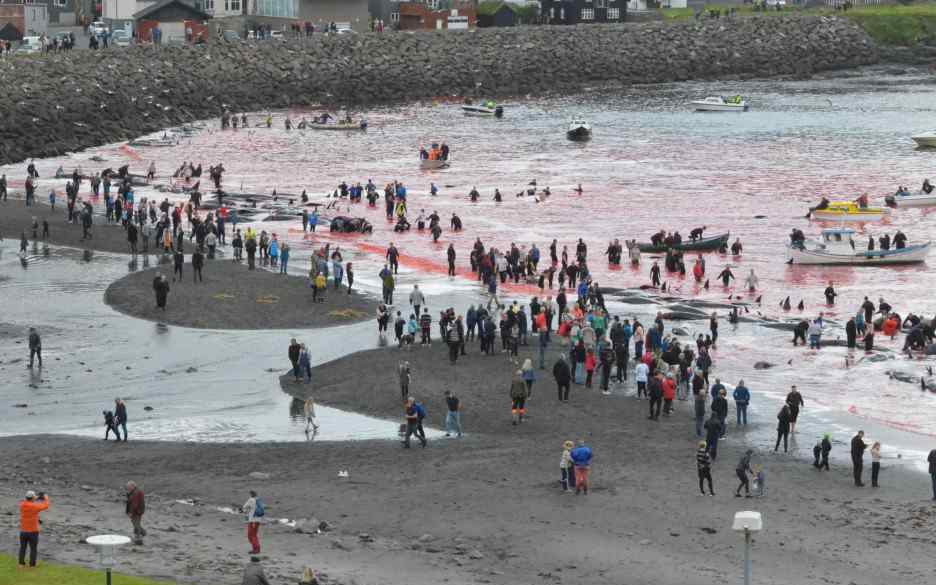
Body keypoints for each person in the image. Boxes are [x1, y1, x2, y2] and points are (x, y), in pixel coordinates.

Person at [18, 490, 49, 567]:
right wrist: (46, 498)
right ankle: (32, 565)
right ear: (32, 498)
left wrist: (37, 497)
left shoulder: (22, 505)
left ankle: (21, 564)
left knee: (22, 548)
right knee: (33, 549)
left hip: (23, 531)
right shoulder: (34, 506)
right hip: (33, 531)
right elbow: (45, 506)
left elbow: (30, 501)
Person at [126, 481, 146, 545]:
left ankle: (139, 539)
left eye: (128, 487)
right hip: (138, 511)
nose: (127, 488)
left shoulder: (136, 492)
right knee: (135, 522)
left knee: (136, 524)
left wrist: (131, 512)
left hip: (136, 511)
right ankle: (141, 534)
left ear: (133, 486)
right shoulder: (135, 491)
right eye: (127, 487)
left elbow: (134, 504)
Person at [242, 490, 263, 554]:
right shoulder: (259, 500)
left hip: (252, 520)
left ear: (251, 494)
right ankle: (256, 548)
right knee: (254, 535)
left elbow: (244, 507)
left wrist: (245, 513)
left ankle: (256, 549)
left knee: (251, 535)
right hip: (258, 520)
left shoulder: (251, 500)